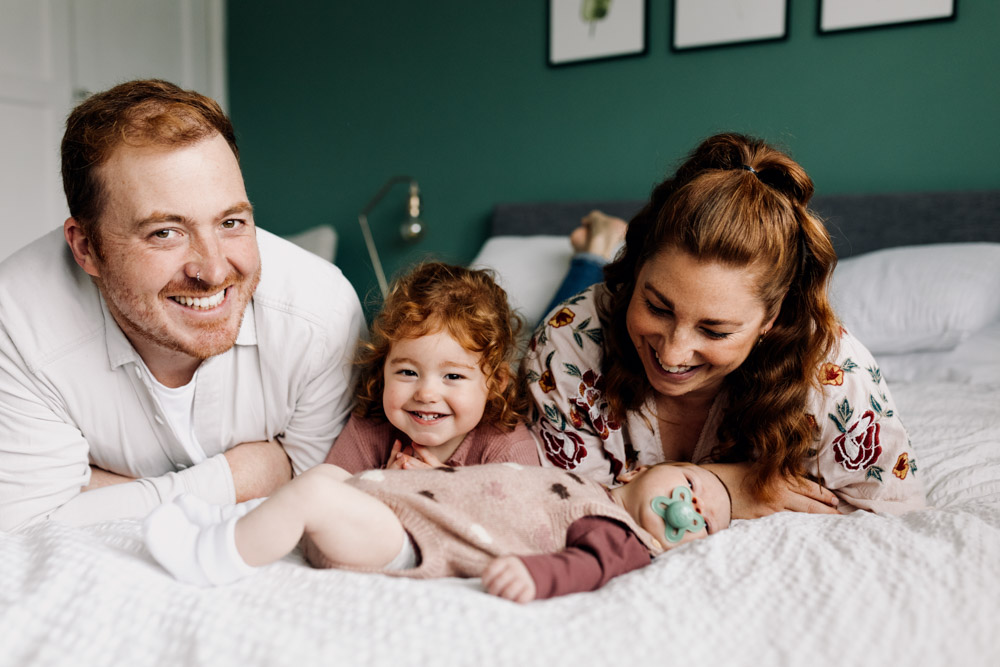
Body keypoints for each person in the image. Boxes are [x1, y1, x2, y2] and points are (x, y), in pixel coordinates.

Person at [0, 80, 365, 531]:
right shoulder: (16, 321)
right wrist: (239, 478)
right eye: (165, 233)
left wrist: (95, 491)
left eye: (231, 222)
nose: (213, 270)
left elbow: (324, 504)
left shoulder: (320, 313)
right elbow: (25, 525)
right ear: (86, 248)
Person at [522, 132, 926, 518]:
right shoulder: (569, 339)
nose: (673, 353)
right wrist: (723, 487)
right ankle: (592, 253)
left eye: (715, 331)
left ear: (772, 318)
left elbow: (897, 513)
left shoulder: (832, 374)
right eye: (657, 307)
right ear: (637, 269)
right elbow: (560, 509)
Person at [142, 459, 731, 602]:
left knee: (314, 496)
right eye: (691, 483)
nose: (692, 507)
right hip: (399, 505)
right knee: (324, 475)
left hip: (412, 540)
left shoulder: (621, 535)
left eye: (704, 522)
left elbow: (589, 567)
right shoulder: (586, 485)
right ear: (639, 470)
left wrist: (537, 575)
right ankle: (234, 524)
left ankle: (213, 557)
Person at [325, 262, 539, 472]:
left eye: (453, 376)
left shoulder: (508, 449)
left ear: (496, 382)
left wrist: (444, 487)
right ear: (384, 370)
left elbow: (526, 497)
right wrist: (380, 484)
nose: (426, 394)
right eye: (408, 372)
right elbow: (327, 490)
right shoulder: (368, 429)